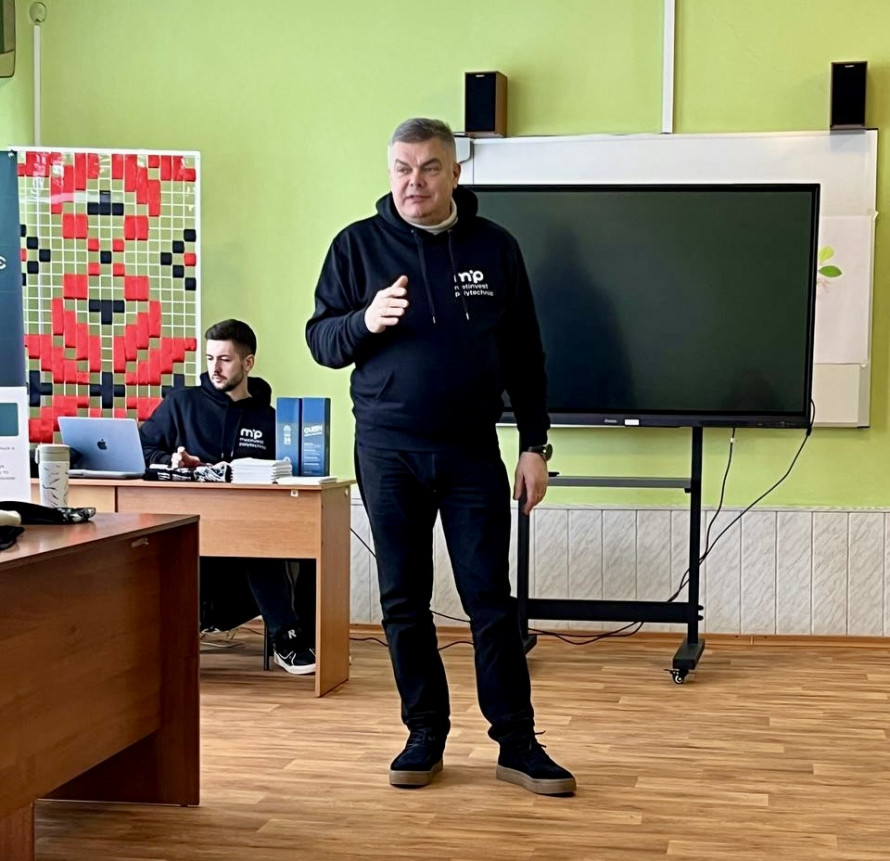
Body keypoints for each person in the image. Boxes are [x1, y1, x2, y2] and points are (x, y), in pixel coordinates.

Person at [306, 118, 575, 795]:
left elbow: (526, 355)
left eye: (429, 168)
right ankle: (424, 733)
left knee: (490, 599)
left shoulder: (495, 246)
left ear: (455, 173)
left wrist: (535, 445)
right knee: (403, 599)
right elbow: (322, 342)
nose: (414, 182)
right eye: (402, 168)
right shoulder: (356, 246)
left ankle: (517, 742)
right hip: (387, 451)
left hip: (470, 451)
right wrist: (365, 320)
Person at [140, 318, 316, 675]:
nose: (214, 368)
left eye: (224, 359)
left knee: (277, 540)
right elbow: (142, 450)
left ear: (248, 363)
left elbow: (286, 473)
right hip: (185, 526)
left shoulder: (271, 419)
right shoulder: (181, 404)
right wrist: (172, 461)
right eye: (210, 358)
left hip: (247, 531)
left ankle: (291, 639)